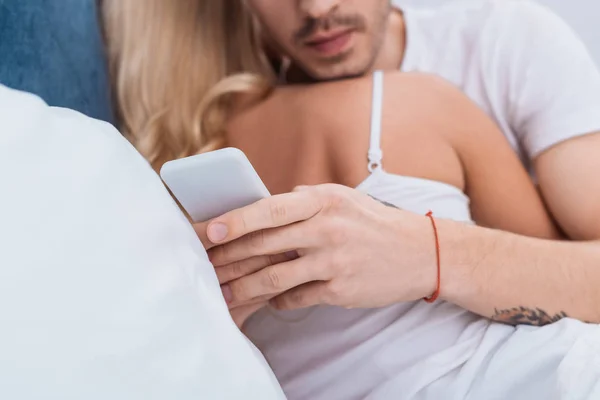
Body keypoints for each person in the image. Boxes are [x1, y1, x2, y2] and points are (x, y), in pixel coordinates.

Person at [101, 0, 600, 398]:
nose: (317, 8)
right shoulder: (204, 143)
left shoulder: (502, 44)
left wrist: (425, 253)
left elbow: (581, 289)